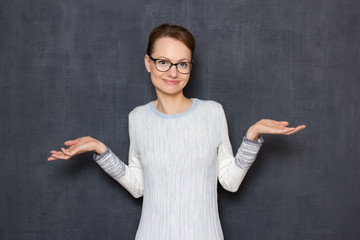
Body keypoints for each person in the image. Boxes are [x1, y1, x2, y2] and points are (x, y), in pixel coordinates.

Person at [48, 23, 305, 240]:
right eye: (163, 62)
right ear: (148, 63)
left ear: (190, 67)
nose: (173, 72)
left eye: (182, 64)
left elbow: (230, 182)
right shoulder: (137, 118)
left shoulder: (213, 112)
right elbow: (139, 187)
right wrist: (101, 151)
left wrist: (252, 136)